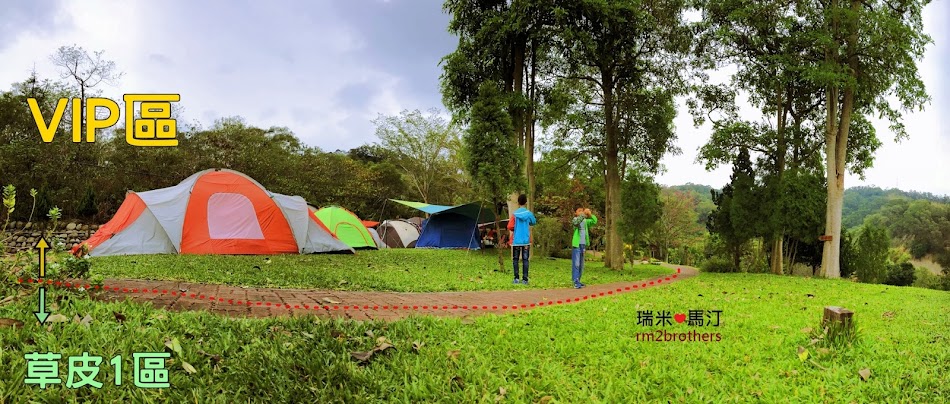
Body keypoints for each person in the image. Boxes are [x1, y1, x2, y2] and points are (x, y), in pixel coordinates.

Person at [507, 194, 537, 285]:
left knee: (515, 259)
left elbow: (509, 226)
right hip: (526, 241)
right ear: (526, 202)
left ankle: (516, 279)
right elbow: (533, 222)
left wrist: (515, 229)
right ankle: (525, 280)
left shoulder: (515, 214)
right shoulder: (529, 213)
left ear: (518, 202)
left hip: (516, 240)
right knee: (525, 259)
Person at [571, 207, 597, 289]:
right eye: (579, 211)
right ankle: (575, 281)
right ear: (576, 213)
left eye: (582, 210)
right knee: (576, 263)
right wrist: (583, 214)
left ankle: (578, 280)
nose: (581, 212)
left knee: (581, 264)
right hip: (576, 244)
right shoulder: (575, 219)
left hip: (583, 245)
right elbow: (576, 222)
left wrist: (590, 214)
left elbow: (594, 221)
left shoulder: (585, 221)